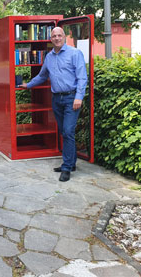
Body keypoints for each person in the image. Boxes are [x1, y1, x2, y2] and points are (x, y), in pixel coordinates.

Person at [20, 27, 87, 182]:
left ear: (65, 37)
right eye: (54, 36)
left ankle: (66, 167)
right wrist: (28, 85)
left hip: (71, 98)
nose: (57, 38)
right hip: (57, 99)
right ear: (51, 39)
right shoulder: (49, 57)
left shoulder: (74, 53)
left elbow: (82, 77)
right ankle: (72, 162)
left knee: (68, 131)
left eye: (59, 35)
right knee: (65, 132)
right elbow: (42, 76)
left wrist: (79, 97)